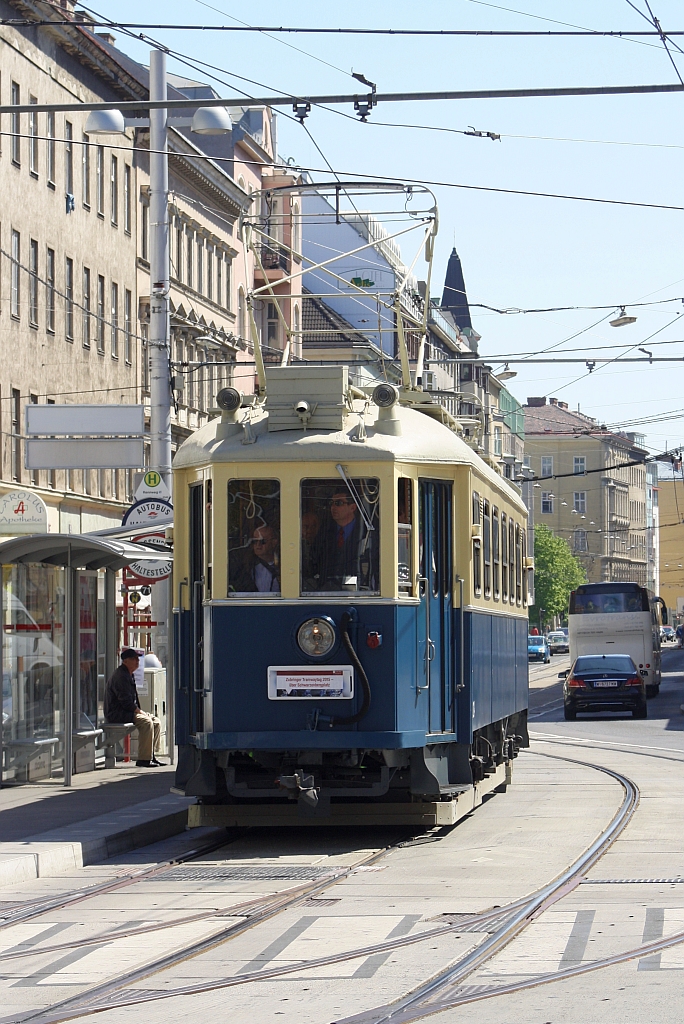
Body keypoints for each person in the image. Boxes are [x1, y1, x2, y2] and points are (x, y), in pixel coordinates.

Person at [104, 649, 162, 768]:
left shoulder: (129, 674)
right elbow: (126, 702)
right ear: (125, 661)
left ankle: (151, 754)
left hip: (127, 711)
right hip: (117, 713)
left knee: (156, 721)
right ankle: (143, 759)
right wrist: (140, 712)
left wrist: (140, 711)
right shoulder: (120, 676)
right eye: (134, 659)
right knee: (146, 722)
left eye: (138, 659)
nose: (137, 661)